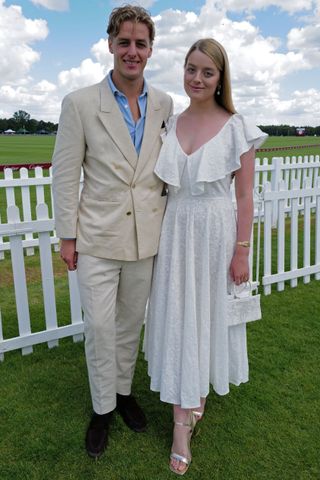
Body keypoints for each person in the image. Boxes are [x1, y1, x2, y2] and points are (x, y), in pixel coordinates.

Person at [52, 5, 172, 459]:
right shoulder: (80, 103)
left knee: (128, 325)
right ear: (109, 44)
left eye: (141, 43)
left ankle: (123, 394)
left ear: (150, 49)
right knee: (100, 327)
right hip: (97, 237)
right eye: (125, 42)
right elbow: (65, 175)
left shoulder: (164, 103)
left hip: (146, 238)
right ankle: (102, 409)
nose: (132, 51)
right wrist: (68, 236)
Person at [144, 38, 267, 475]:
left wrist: (242, 250)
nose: (197, 78)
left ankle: (191, 406)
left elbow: (245, 195)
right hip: (176, 232)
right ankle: (182, 420)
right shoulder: (169, 125)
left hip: (217, 234)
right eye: (191, 68)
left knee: (206, 318)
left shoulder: (237, 127)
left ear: (220, 79)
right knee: (179, 317)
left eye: (207, 72)